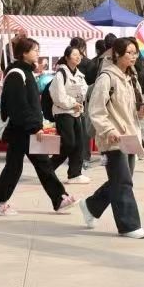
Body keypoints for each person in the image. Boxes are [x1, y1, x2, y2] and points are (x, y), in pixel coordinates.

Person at [0, 37, 76, 216]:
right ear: (24, 53)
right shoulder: (16, 74)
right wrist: (35, 127)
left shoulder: (26, 72)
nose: (38, 53)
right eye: (35, 50)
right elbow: (18, 106)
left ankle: (59, 199)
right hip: (21, 130)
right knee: (23, 167)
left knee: (30, 166)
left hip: (25, 129)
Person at [80, 37, 144, 239]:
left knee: (121, 180)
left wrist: (140, 113)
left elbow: (128, 109)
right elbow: (96, 110)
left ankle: (91, 206)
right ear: (117, 54)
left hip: (129, 136)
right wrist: (108, 130)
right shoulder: (106, 78)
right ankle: (129, 225)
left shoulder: (130, 77)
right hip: (113, 138)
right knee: (123, 182)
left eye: (135, 53)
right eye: (129, 53)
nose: (133, 56)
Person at [47, 44, 91, 184]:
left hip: (77, 112)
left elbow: (84, 92)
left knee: (79, 144)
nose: (78, 57)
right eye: (74, 55)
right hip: (63, 113)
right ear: (67, 57)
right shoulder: (61, 74)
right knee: (68, 144)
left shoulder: (80, 75)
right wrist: (73, 103)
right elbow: (58, 96)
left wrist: (80, 102)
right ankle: (47, 169)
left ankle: (75, 174)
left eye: (79, 55)